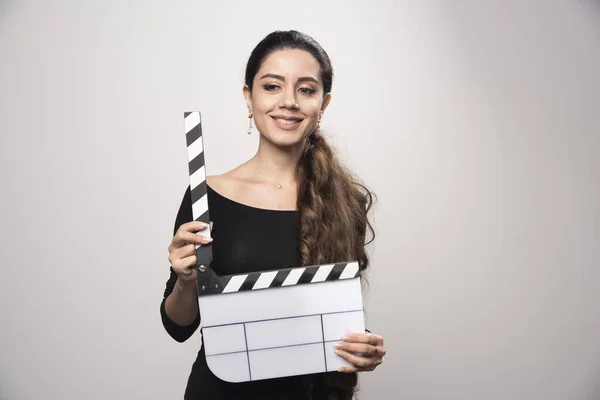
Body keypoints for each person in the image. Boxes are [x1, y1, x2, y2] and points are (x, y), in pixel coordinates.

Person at [160, 30, 386, 400]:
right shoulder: (206, 198)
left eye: (307, 90)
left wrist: (362, 349)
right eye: (272, 86)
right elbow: (179, 326)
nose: (289, 102)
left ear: (323, 104)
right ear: (249, 97)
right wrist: (186, 281)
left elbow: (331, 317)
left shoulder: (346, 200)